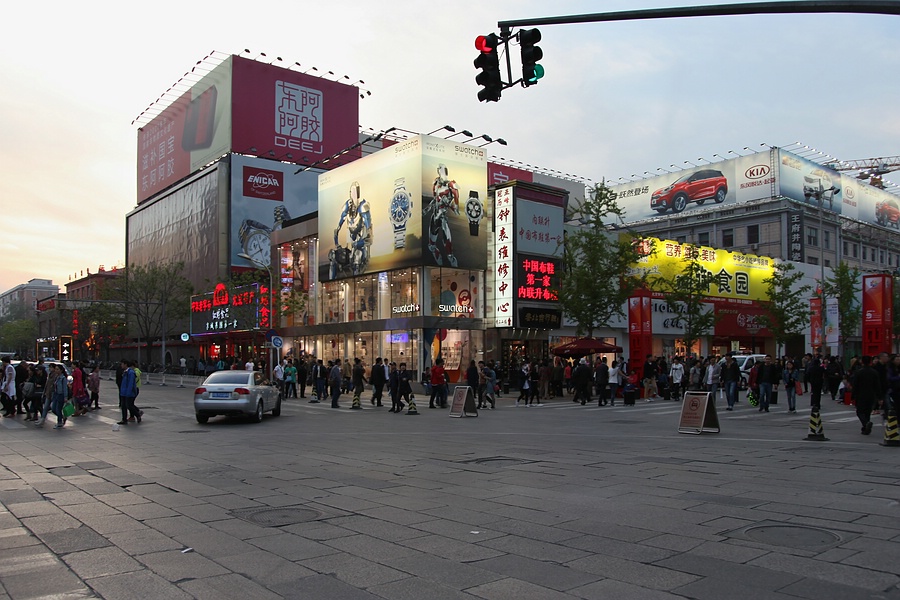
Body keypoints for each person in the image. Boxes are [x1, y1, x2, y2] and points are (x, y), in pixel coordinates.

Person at [331, 182, 373, 278]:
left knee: (357, 258)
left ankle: (356, 276)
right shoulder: (348, 205)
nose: (352, 194)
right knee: (333, 256)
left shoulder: (363, 206)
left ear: (358, 193)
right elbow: (342, 218)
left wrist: (363, 240)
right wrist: (337, 230)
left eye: (354, 191)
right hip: (350, 242)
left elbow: (369, 233)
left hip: (361, 241)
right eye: (351, 191)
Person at [427, 164, 460, 267]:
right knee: (431, 245)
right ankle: (436, 253)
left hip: (443, 217)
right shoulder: (436, 183)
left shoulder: (451, 184)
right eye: (439, 170)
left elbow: (456, 196)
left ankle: (451, 258)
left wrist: (454, 206)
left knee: (448, 245)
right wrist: (427, 209)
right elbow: (435, 198)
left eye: (441, 170)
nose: (440, 172)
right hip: (435, 215)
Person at [851, 355, 881, 435]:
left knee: (860, 412)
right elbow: (877, 385)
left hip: (861, 394)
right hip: (871, 394)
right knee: (867, 411)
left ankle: (865, 423)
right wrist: (879, 397)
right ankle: (866, 428)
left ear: (862, 362)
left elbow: (855, 385)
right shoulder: (874, 372)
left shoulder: (859, 372)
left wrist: (853, 395)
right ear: (870, 362)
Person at [118, 360, 141, 425]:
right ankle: (124, 419)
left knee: (129, 405)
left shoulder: (130, 372)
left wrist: (129, 392)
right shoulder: (125, 372)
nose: (121, 365)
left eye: (122, 364)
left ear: (126, 364)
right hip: (123, 392)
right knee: (123, 406)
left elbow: (131, 383)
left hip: (128, 392)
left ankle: (137, 415)